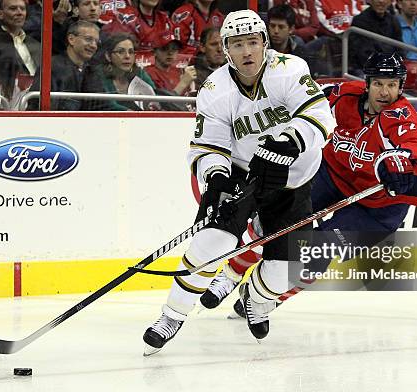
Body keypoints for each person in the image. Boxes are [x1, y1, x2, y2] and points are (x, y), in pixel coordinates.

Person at [142, 9, 334, 355]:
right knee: (209, 244)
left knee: (285, 270)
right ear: (226, 50)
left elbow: (319, 115)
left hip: (293, 181)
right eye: (237, 45)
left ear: (265, 43)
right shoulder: (215, 89)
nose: (247, 52)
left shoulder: (289, 69)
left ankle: (256, 299)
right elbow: (208, 146)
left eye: (252, 42)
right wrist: (215, 177)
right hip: (245, 173)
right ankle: (171, 316)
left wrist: (288, 142)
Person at [200, 52, 417, 317]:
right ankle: (231, 275)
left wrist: (400, 162)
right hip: (333, 174)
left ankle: (266, 299)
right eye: (379, 83)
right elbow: (305, 98)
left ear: (401, 87)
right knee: (276, 216)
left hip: (381, 206)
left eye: (392, 85)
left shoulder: (400, 115)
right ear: (367, 83)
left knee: (319, 250)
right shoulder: (344, 95)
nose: (385, 92)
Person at [27, 20, 106, 110]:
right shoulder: (52, 67)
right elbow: (39, 105)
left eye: (96, 42)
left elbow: (101, 105)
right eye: (88, 39)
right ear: (71, 39)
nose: (93, 46)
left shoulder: (92, 70)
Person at [98, 33, 159, 110]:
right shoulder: (99, 75)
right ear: (108, 56)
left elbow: (155, 100)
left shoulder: (140, 74)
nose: (127, 56)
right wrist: (128, 113)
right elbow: (107, 105)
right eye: (121, 52)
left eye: (131, 52)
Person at [349, 0, 403, 74]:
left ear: (390, 2)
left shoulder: (393, 21)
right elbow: (363, 54)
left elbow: (400, 48)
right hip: (365, 69)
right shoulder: (359, 21)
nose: (381, 1)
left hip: (390, 67)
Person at [0, 0, 40, 76]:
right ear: (1, 14)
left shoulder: (36, 44)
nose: (20, 13)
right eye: (13, 9)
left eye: (23, 9)